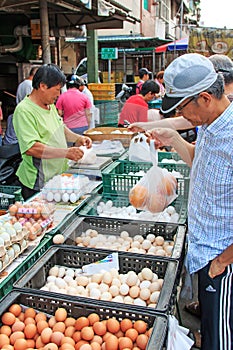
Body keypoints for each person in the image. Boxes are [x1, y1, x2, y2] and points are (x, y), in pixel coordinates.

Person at [147, 53, 233, 350]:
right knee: (210, 328)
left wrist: (223, 261)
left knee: (221, 340)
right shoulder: (210, 125)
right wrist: (173, 139)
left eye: (184, 106)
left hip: (222, 258)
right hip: (205, 250)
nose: (183, 115)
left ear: (206, 98)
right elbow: (199, 160)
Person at [13, 63, 92, 201]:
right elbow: (32, 148)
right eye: (57, 90)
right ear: (43, 86)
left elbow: (60, 128)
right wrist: (66, 153)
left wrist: (78, 138)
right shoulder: (24, 110)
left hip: (56, 178)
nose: (59, 94)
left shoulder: (50, 106)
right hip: (38, 182)